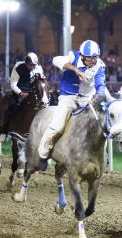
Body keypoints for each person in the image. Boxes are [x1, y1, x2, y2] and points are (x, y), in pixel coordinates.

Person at [38, 40, 106, 171]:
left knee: (100, 124)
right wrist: (76, 70)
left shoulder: (100, 65)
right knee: (57, 127)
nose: (93, 60)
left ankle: (102, 155)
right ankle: (43, 153)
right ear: (82, 55)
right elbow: (55, 60)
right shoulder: (73, 56)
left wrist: (97, 97)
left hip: (86, 100)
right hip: (68, 97)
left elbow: (101, 85)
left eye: (95, 57)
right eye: (89, 58)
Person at [3, 52, 44, 133]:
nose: (32, 67)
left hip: (32, 92)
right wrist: (21, 93)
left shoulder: (38, 68)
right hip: (19, 91)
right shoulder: (18, 67)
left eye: (34, 65)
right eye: (30, 65)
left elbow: (42, 82)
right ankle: (5, 127)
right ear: (26, 62)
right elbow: (13, 84)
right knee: (12, 106)